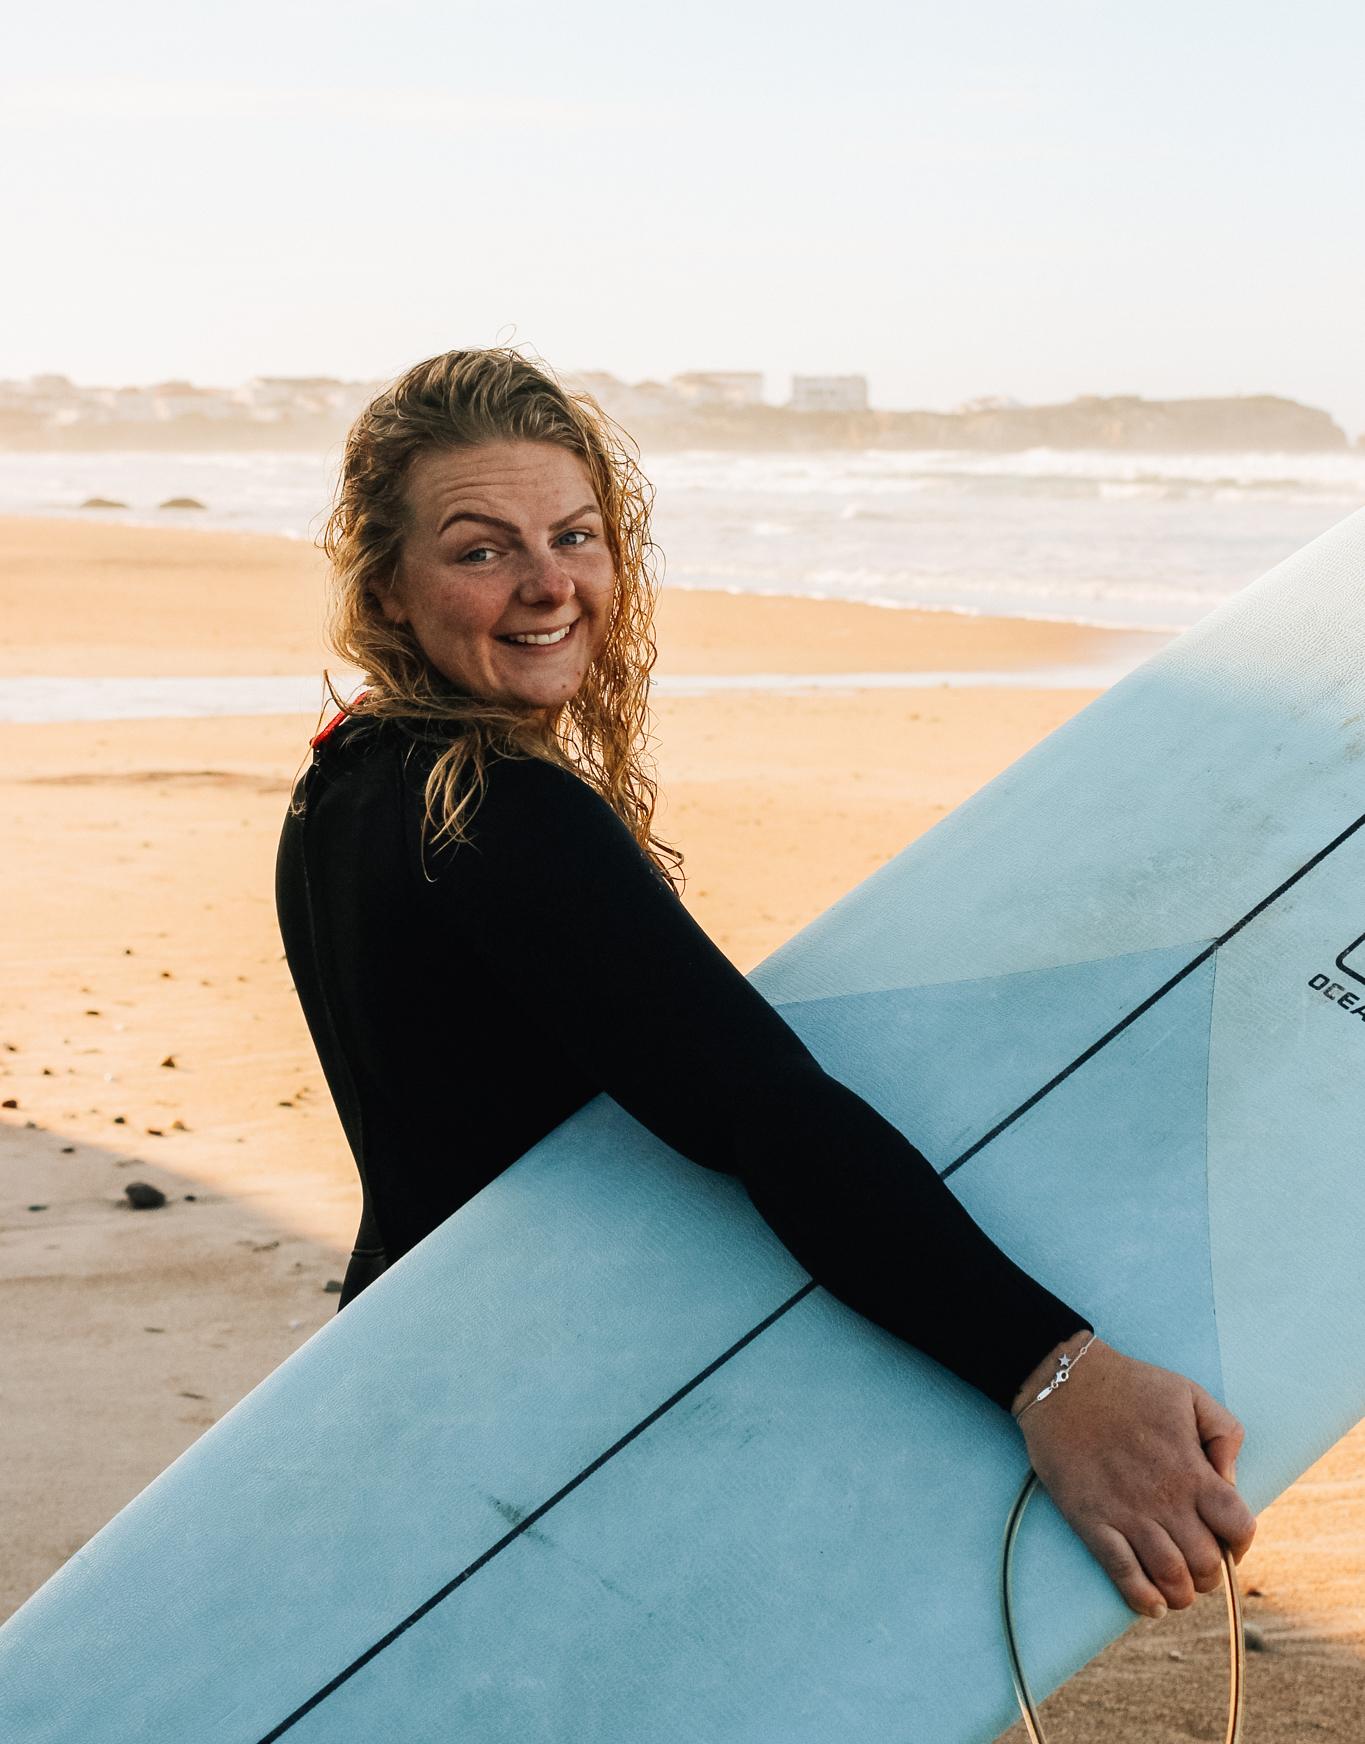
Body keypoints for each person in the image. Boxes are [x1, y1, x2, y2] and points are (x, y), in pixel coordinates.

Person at [274, 345, 1255, 1627]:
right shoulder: (501, 811)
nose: (549, 581)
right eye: (481, 549)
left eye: (576, 534)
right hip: (572, 1422)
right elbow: (762, 1109)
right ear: (389, 587)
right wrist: (1054, 1374)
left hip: (428, 1372)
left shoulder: (341, 781)